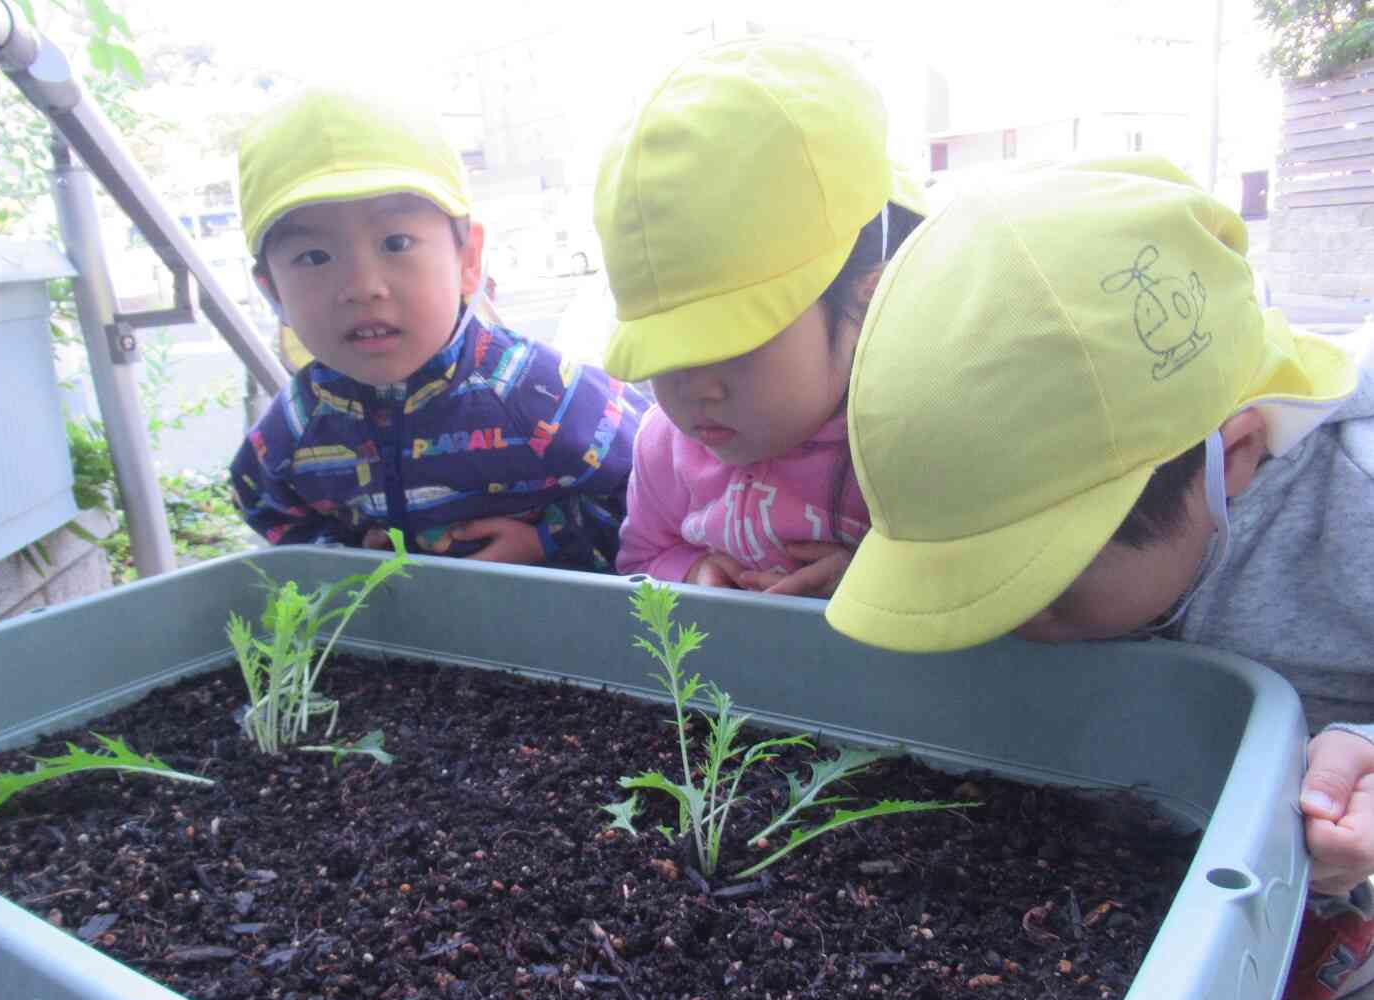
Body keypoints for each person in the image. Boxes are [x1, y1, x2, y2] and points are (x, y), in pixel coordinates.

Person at [825, 154, 1374, 1000]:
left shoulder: (1353, 507)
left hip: (1327, 820)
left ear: (1227, 462)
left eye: (1039, 588)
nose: (1006, 625)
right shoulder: (1159, 503)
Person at [230, 88, 647, 571]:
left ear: (467, 258)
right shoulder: (297, 427)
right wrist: (341, 555)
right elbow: (262, 504)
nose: (363, 287)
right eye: (314, 257)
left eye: (396, 242)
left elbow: (662, 489)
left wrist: (554, 541)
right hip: (409, 640)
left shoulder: (541, 395)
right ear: (272, 291)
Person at [593, 38, 925, 597]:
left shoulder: (915, 438)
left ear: (867, 292)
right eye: (665, 350)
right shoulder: (664, 450)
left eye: (735, 340)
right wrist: (694, 575)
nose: (695, 387)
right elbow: (644, 554)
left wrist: (875, 588)